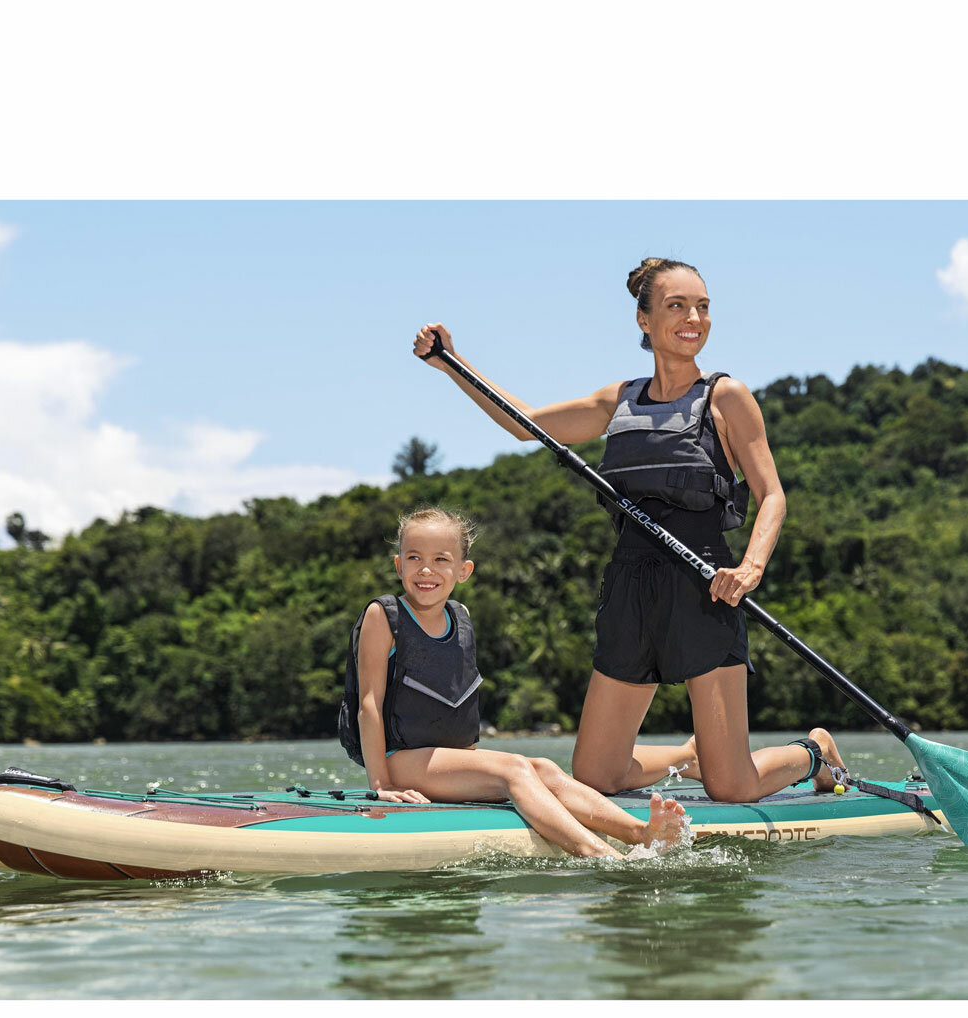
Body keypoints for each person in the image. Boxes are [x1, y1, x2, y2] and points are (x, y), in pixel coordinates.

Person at [413, 256, 847, 803]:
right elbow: (524, 424)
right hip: (629, 589)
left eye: (703, 307)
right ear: (644, 320)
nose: (694, 318)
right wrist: (452, 363)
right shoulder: (619, 400)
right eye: (677, 306)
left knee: (733, 787)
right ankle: (690, 756)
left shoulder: (725, 397)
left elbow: (772, 496)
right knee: (596, 777)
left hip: (705, 587)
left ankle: (813, 753)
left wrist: (751, 566)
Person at [337, 506, 691, 860]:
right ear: (399, 566)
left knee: (544, 768)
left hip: (447, 761)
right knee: (514, 770)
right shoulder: (383, 617)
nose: (426, 569)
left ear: (464, 571)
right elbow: (369, 704)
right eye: (414, 557)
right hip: (400, 759)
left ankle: (639, 832)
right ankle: (596, 852)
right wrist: (381, 785)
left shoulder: (460, 617)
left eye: (441, 559)